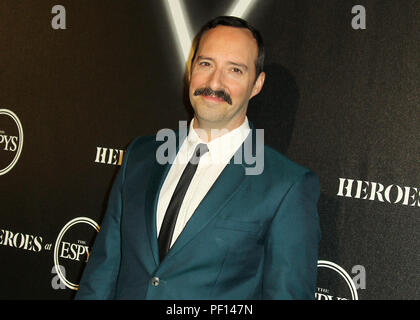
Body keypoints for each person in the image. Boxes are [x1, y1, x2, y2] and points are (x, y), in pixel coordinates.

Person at [75, 16, 320, 300]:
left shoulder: (286, 186)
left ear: (257, 84)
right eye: (206, 64)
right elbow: (103, 271)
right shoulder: (140, 157)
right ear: (191, 69)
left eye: (235, 70)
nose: (214, 82)